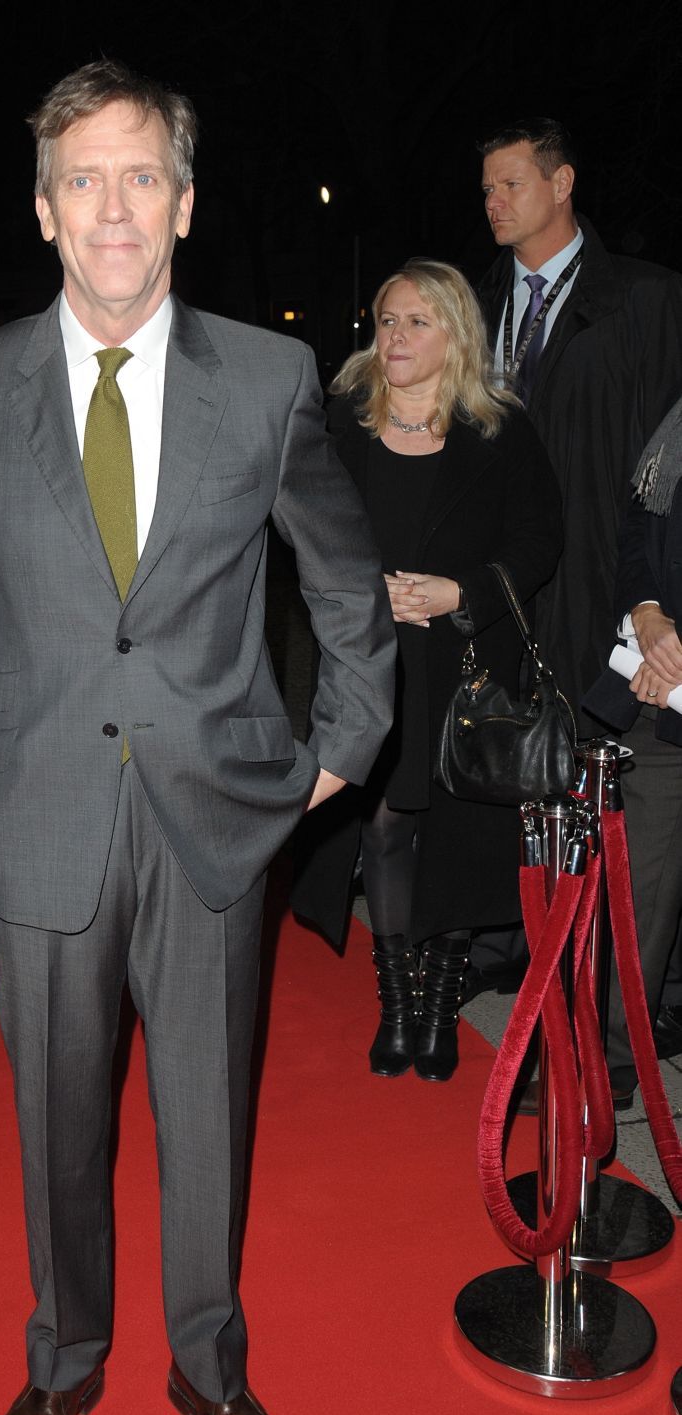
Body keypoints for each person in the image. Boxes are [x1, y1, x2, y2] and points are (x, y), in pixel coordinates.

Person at [0, 59, 394, 1415]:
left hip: (212, 815)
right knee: (58, 1119)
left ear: (182, 203)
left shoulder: (269, 378)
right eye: (83, 180)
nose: (112, 208)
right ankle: (62, 1362)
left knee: (207, 1116)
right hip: (35, 806)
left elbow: (343, 582)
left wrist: (342, 740)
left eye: (139, 178)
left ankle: (209, 1367)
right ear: (44, 209)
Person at [292, 261, 562, 1081]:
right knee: (381, 824)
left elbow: (540, 540)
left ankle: (440, 1003)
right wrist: (358, 592)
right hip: (369, 661)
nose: (396, 336)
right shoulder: (341, 423)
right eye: (386, 320)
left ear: (456, 334)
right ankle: (398, 1004)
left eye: (417, 321)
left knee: (456, 829)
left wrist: (461, 592)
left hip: (465, 661)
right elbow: (298, 530)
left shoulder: (500, 430)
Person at [478, 119, 682, 737]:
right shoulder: (468, 307)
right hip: (497, 581)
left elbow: (667, 475)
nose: (494, 202)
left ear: (562, 182)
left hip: (602, 587)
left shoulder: (648, 299)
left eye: (511, 184)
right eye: (486, 189)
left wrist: (651, 602)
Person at [584, 397, 682, 1106]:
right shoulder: (676, 420)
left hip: (670, 678)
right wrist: (647, 617)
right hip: (661, 695)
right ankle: (615, 1058)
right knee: (638, 883)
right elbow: (640, 527)